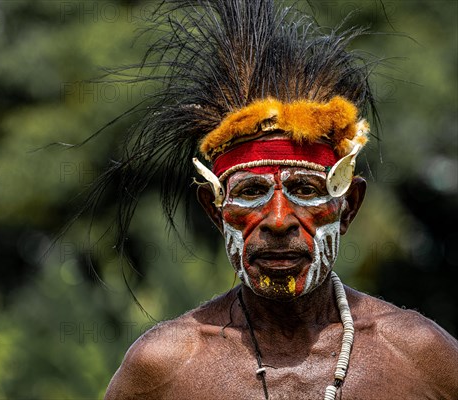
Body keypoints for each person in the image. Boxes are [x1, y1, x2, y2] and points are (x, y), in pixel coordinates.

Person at [95, 1, 458, 398]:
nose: (279, 220)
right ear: (215, 212)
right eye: (251, 192)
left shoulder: (421, 359)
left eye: (306, 190)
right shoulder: (164, 368)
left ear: (348, 206)